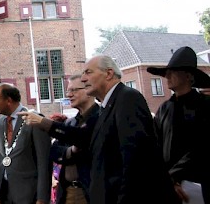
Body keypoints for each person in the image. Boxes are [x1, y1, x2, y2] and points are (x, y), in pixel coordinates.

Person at [22, 55, 178, 204]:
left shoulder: (127, 99)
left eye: (88, 72)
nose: (83, 79)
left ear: (109, 73)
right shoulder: (108, 106)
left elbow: (134, 161)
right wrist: (44, 123)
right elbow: (83, 136)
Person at [147, 46, 210, 203]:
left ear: (188, 76)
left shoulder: (205, 106)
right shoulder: (163, 109)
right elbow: (154, 145)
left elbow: (202, 147)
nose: (167, 75)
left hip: (197, 185)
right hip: (167, 187)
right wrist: (165, 178)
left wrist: (173, 175)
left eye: (173, 71)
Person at [0, 83, 51, 204]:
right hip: (4, 195)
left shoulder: (35, 119)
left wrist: (42, 198)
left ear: (8, 100)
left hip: (28, 195)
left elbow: (44, 162)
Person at [49, 75, 99, 204]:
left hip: (91, 192)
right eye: (68, 91)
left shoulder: (101, 119)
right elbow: (54, 151)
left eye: (74, 90)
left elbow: (87, 150)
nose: (69, 95)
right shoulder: (70, 123)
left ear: (88, 90)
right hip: (68, 192)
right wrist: (71, 151)